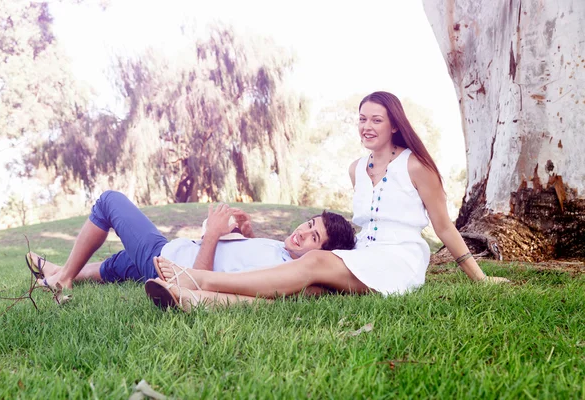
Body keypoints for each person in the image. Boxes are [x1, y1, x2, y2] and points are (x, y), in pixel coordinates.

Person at [145, 91, 509, 311]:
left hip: (398, 259)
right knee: (311, 290)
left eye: (376, 120)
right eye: (362, 119)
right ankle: (197, 301)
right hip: (362, 255)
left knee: (316, 261)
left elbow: (444, 227)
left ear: (394, 125)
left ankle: (202, 280)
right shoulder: (355, 169)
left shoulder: (416, 166)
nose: (366, 126)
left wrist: (480, 279)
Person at [26, 190, 357, 290]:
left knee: (109, 202)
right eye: (309, 224)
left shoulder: (279, 270)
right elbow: (240, 256)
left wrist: (212, 234)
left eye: (313, 237)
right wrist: (246, 233)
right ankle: (62, 269)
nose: (302, 232)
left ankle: (64, 278)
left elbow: (198, 281)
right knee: (121, 264)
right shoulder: (283, 253)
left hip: (172, 263)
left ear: (324, 255)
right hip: (170, 250)